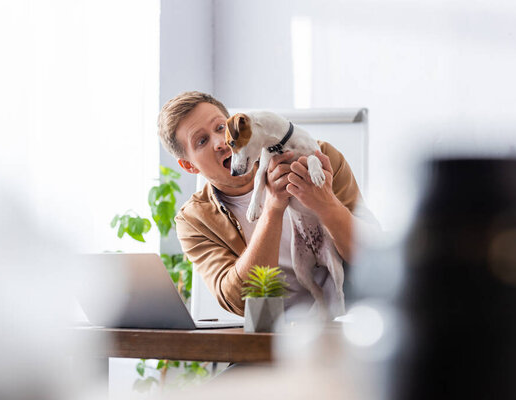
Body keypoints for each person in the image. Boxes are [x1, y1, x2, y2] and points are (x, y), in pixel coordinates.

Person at [157, 91, 378, 317]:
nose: (220, 142)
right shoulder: (195, 220)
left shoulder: (320, 157)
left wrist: (327, 206)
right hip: (271, 340)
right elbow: (239, 300)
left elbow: (377, 258)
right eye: (202, 141)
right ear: (189, 166)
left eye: (221, 127)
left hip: (349, 327)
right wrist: (273, 208)